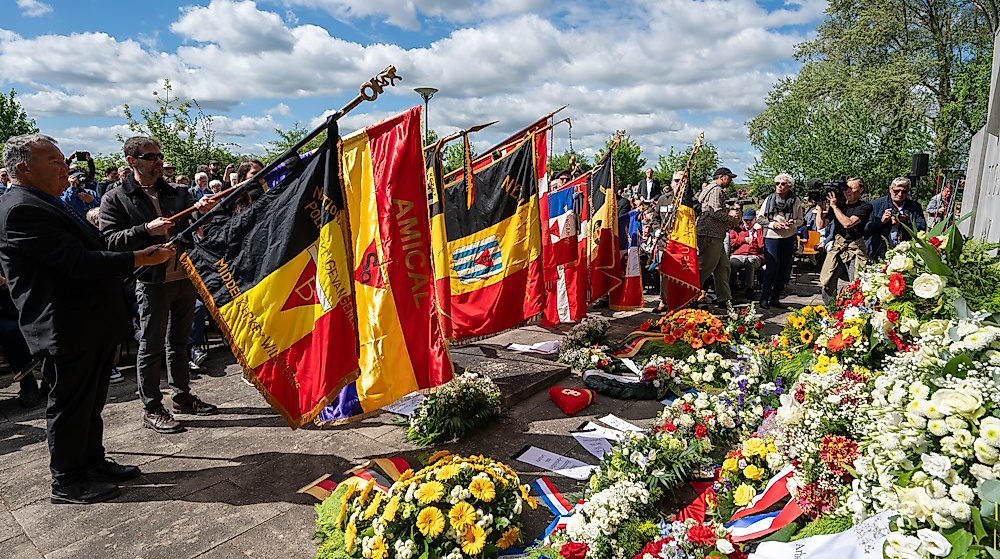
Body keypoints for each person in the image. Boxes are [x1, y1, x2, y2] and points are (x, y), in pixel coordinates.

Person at [0, 133, 175, 504]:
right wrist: (139, 257)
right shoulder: (20, 209)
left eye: (65, 160)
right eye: (55, 162)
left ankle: (92, 462)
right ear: (23, 168)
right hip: (65, 325)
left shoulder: (44, 201)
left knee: (91, 403)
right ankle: (66, 480)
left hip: (88, 322)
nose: (66, 168)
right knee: (69, 406)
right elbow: (76, 261)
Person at [99, 136, 219, 434]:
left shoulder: (178, 192)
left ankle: (181, 396)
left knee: (180, 343)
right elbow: (110, 240)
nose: (158, 161)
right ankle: (152, 407)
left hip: (185, 276)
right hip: (151, 281)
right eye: (150, 156)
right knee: (151, 346)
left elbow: (197, 213)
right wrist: (145, 229)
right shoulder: (115, 198)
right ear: (132, 161)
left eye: (159, 155)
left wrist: (202, 208)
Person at [816, 177, 872, 303]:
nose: (848, 191)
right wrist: (820, 207)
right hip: (838, 247)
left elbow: (848, 223)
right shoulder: (839, 205)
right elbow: (821, 225)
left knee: (857, 282)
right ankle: (830, 309)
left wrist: (835, 207)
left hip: (855, 248)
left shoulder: (865, 206)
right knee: (828, 280)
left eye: (852, 188)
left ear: (861, 190)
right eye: (846, 188)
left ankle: (855, 311)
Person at [757, 173, 804, 309]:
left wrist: (793, 223)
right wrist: (773, 224)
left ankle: (775, 298)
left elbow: (801, 220)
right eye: (777, 183)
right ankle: (764, 298)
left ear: (789, 186)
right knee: (772, 268)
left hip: (788, 237)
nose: (779, 186)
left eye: (782, 184)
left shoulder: (796, 201)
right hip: (772, 236)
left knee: (783, 269)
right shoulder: (769, 199)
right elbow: (760, 218)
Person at [696, 167, 738, 309]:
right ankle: (690, 296)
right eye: (729, 177)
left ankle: (724, 298)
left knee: (723, 267)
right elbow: (715, 212)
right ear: (721, 176)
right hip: (710, 234)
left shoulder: (710, 188)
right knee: (705, 268)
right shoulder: (716, 190)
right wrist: (731, 219)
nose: (731, 180)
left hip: (715, 234)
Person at [864, 177, 926, 261]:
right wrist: (881, 222)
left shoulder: (915, 207)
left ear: (909, 191)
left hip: (905, 252)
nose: (900, 194)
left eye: (904, 192)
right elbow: (865, 229)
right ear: (890, 189)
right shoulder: (876, 205)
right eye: (896, 191)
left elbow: (922, 228)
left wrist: (905, 222)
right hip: (878, 251)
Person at [729, 208, 764, 301]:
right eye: (745, 220)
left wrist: (759, 231)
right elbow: (731, 242)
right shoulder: (737, 229)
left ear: (754, 219)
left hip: (754, 255)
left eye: (750, 220)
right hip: (738, 255)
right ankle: (734, 285)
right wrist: (743, 240)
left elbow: (761, 245)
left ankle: (749, 288)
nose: (747, 222)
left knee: (750, 262)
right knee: (731, 262)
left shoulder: (759, 230)